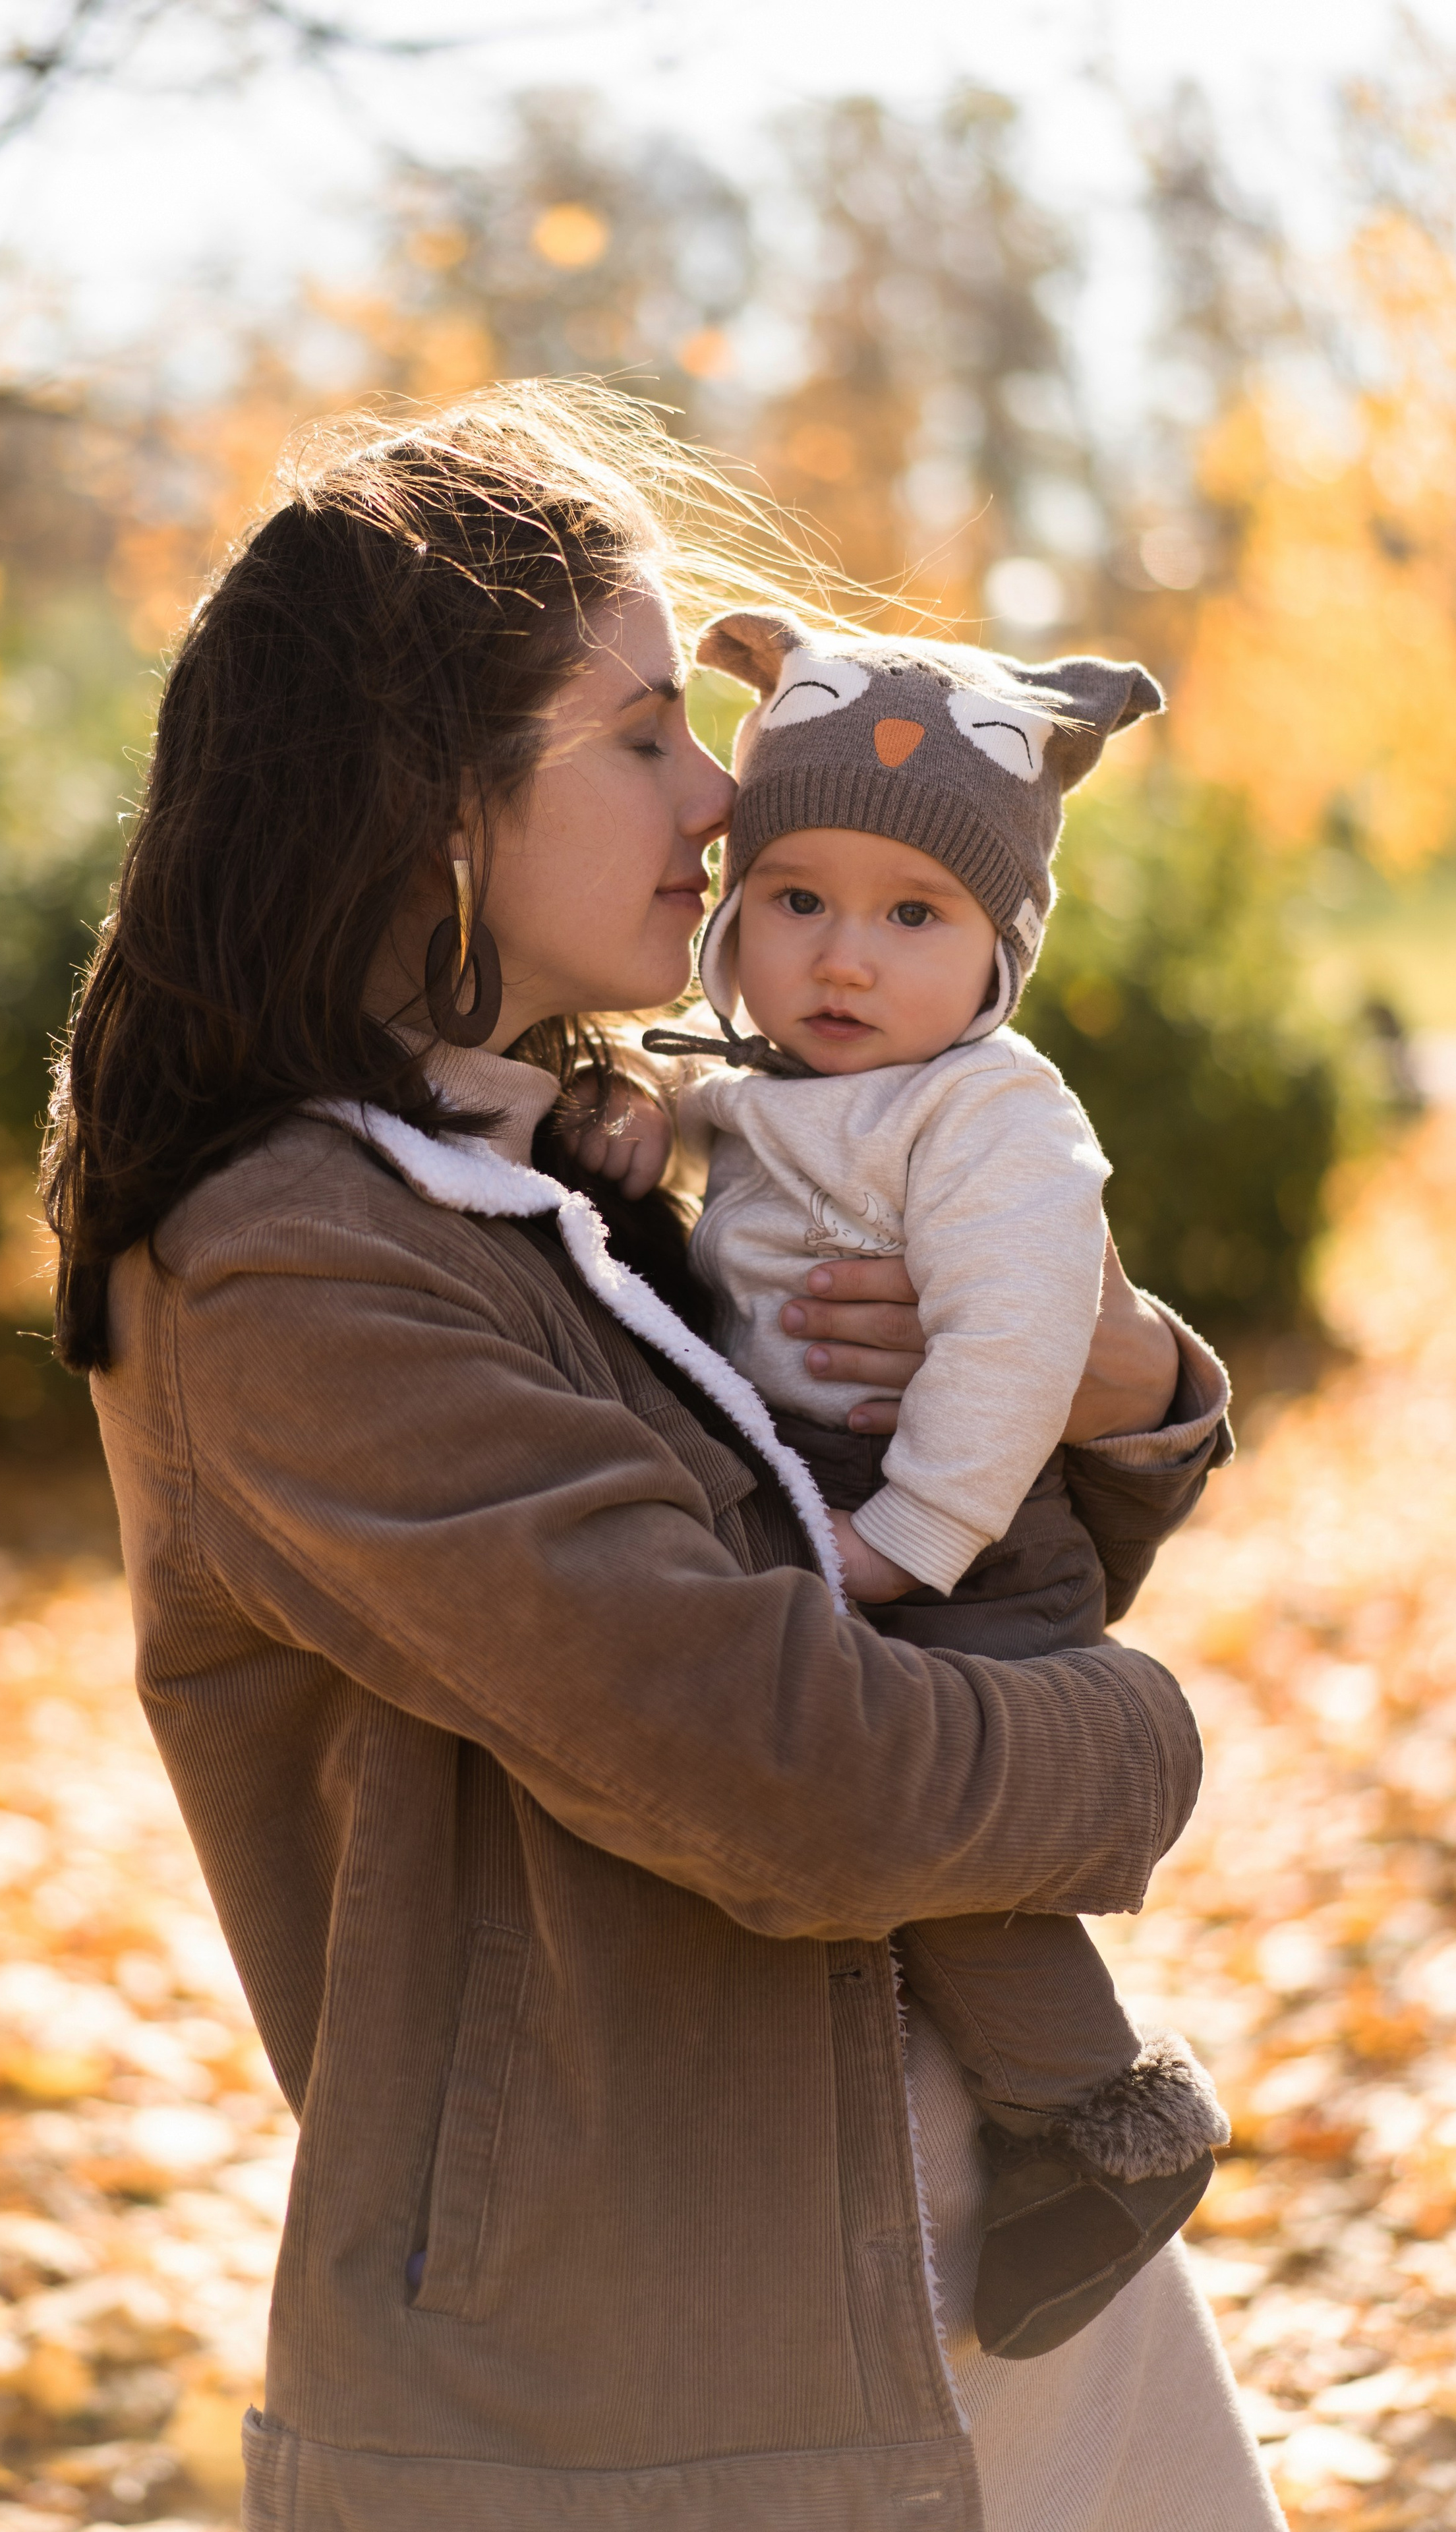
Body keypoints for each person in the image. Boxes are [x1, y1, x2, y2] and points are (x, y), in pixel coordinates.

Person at [43, 382, 1283, 2531]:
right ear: (428, 799)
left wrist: (1115, 1374)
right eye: (639, 731)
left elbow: (910, 1587)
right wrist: (1140, 1749)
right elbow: (793, 1767)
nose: (718, 795)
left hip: (964, 2243)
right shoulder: (294, 1266)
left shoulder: (573, 1148)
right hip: (644, 2377)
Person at [572, 610, 1229, 2364]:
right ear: (733, 914)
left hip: (963, 1523)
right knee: (913, 1829)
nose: (843, 957)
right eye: (796, 900)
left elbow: (1022, 1343)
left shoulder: (994, 1117)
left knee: (955, 1847)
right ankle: (1053, 2120)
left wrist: (904, 1540)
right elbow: (712, 1121)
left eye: (913, 915)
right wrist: (639, 1111)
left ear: (1001, 949)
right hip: (843, 1501)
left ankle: (1098, 2121)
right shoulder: (778, 1083)